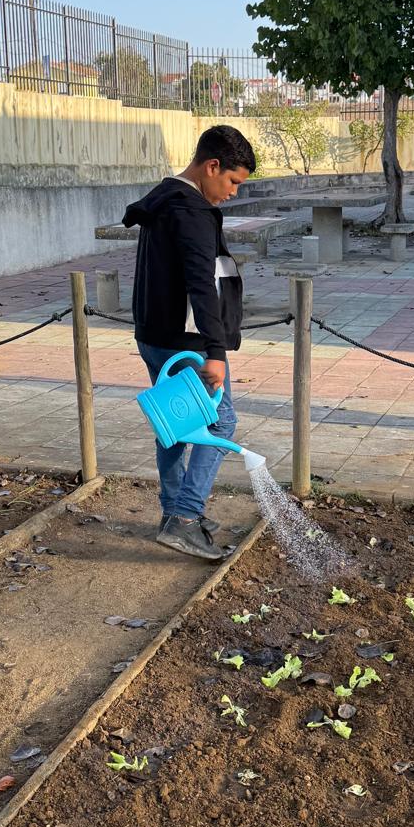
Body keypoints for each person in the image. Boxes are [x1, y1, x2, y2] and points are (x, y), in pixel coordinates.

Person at [123, 124, 257, 560]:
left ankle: (172, 512)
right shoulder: (192, 211)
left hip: (153, 334)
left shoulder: (164, 198)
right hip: (186, 342)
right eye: (233, 181)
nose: (234, 192)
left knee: (175, 424)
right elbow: (202, 285)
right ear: (211, 166)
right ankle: (184, 518)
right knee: (220, 423)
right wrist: (215, 354)